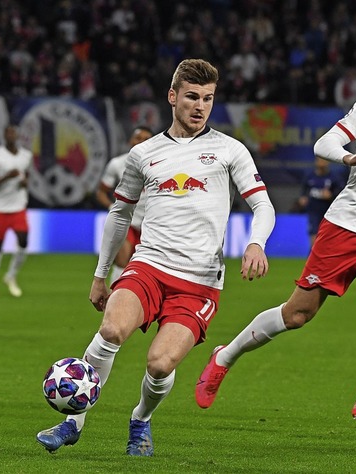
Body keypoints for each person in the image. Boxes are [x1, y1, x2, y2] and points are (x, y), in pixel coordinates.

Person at [195, 32, 356, 430]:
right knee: (297, 314)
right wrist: (352, 155)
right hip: (346, 227)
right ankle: (224, 356)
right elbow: (324, 142)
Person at [36, 58, 276, 456]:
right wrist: (101, 275)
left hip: (199, 282)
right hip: (148, 266)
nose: (200, 106)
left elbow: (263, 205)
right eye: (192, 97)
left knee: (160, 365)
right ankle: (72, 422)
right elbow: (120, 213)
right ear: (173, 96)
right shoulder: (144, 154)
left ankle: (141, 420)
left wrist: (256, 243)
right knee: (111, 331)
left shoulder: (230, 150)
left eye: (208, 99)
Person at [95, 126, 154, 283]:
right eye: (138, 138)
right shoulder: (117, 164)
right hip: (126, 221)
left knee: (147, 268)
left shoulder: (162, 165)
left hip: (151, 225)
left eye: (147, 139)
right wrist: (111, 208)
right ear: (130, 141)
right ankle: (113, 303)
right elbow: (101, 192)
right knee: (122, 263)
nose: (141, 142)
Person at [0, 124, 33, 298]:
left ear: (17, 135)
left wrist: (25, 183)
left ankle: (11, 276)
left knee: (23, 241)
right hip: (0, 208)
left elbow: (27, 175)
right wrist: (7, 176)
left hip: (18, 206)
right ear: (4, 135)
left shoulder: (26, 155)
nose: (11, 135)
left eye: (13, 132)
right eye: (8, 132)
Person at [296, 156, 344, 246]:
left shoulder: (334, 178)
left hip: (328, 211)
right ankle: (313, 255)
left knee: (328, 235)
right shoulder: (310, 176)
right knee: (314, 233)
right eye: (320, 160)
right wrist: (303, 197)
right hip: (313, 210)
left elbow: (341, 192)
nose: (322, 162)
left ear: (328, 162)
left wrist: (331, 195)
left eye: (324, 160)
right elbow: (304, 190)